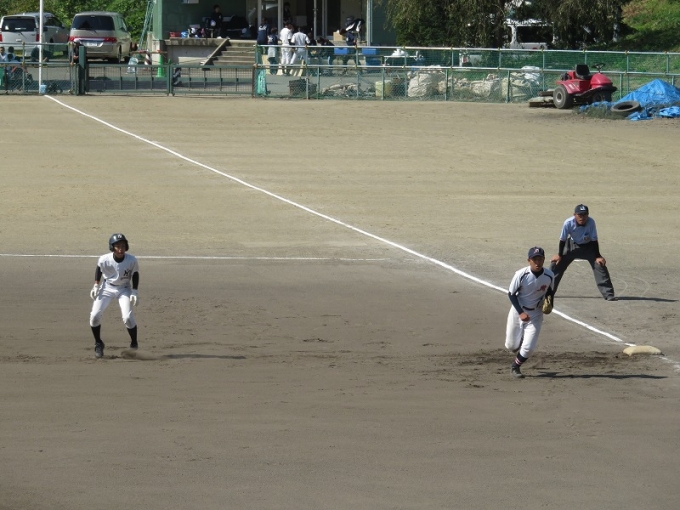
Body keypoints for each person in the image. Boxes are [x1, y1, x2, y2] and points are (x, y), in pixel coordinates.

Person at [505, 247, 555, 378]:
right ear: (529, 260)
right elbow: (511, 294)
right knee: (511, 346)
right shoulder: (521, 274)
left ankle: (515, 366)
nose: (537, 262)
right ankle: (519, 341)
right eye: (535, 259)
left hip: (536, 314)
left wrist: (550, 304)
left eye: (540, 259)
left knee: (528, 348)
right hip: (518, 311)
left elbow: (550, 292)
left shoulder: (549, 275)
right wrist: (521, 312)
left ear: (544, 259)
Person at [550, 204, 616, 301]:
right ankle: (548, 293)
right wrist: (559, 255)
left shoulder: (591, 222)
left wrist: (598, 256)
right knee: (555, 265)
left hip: (588, 247)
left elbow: (594, 240)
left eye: (585, 215)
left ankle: (608, 294)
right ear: (574, 215)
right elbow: (562, 240)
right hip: (571, 246)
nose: (582, 217)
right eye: (580, 215)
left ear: (588, 215)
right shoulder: (568, 223)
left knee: (599, 265)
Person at [89, 233, 140, 359]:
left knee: (127, 318)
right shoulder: (104, 259)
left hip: (124, 288)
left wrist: (134, 291)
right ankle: (98, 343)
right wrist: (96, 285)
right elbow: (99, 269)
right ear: (112, 247)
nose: (120, 249)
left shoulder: (131, 260)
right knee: (94, 316)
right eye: (117, 246)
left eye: (123, 246)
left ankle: (134, 343)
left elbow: (135, 274)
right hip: (107, 287)